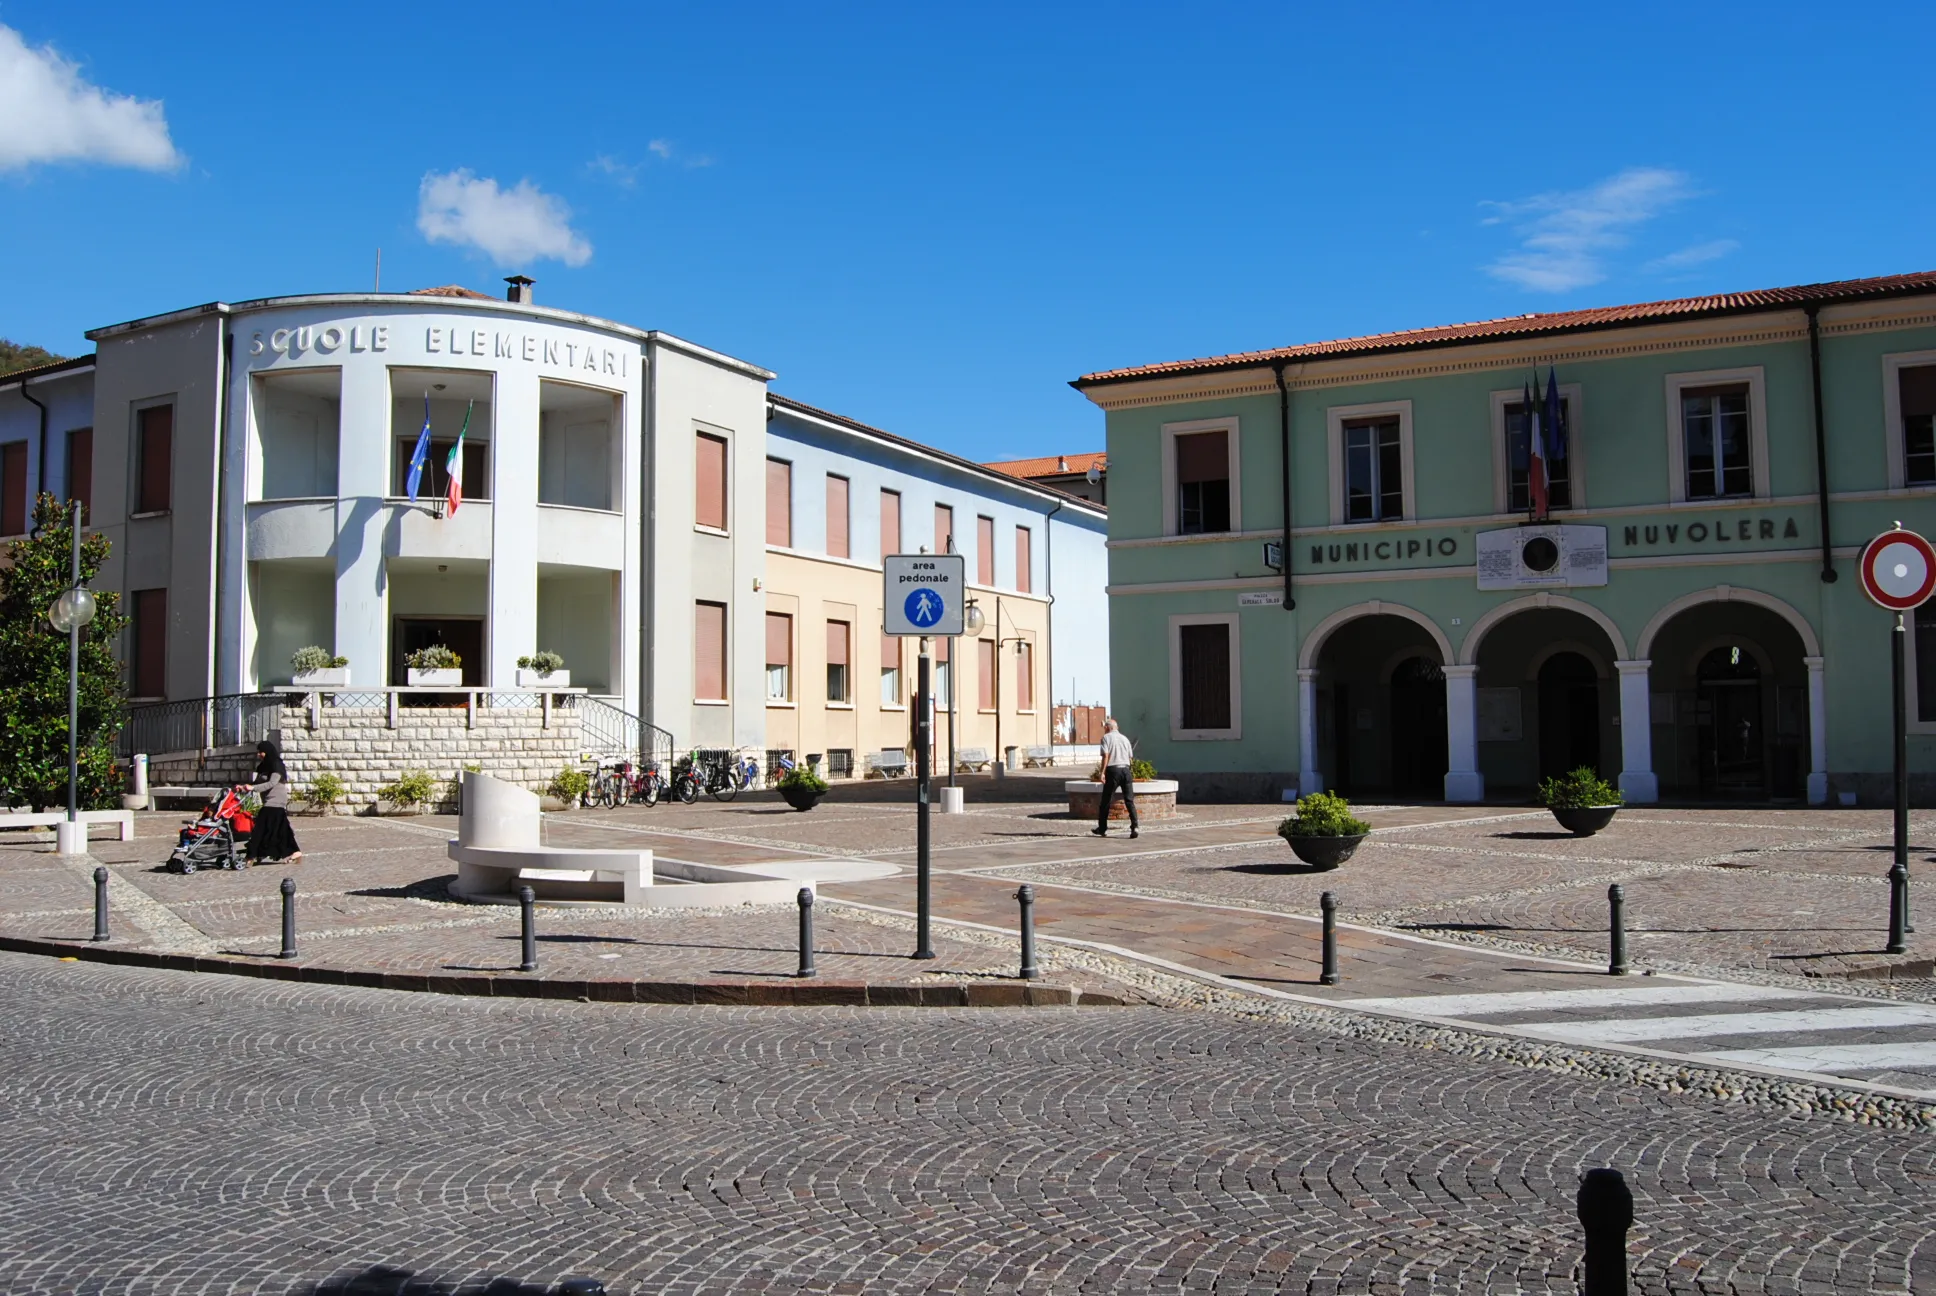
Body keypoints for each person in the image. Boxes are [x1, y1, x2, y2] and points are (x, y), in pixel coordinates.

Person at [245, 740, 302, 864]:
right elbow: (258, 782)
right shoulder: (264, 766)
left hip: (276, 800)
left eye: (261, 752)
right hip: (268, 800)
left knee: (260, 827)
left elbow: (272, 783)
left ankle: (252, 855)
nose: (259, 754)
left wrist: (253, 788)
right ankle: (295, 851)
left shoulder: (276, 765)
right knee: (281, 828)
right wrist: (245, 787)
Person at [1092, 717, 1139, 839]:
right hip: (1126, 769)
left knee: (1106, 800)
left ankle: (1102, 828)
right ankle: (1135, 826)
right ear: (1117, 728)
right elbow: (1130, 758)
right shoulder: (1125, 739)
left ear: (1107, 727)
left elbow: (1106, 756)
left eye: (1104, 728)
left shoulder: (1106, 738)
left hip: (1113, 770)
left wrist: (1102, 772)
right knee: (1129, 800)